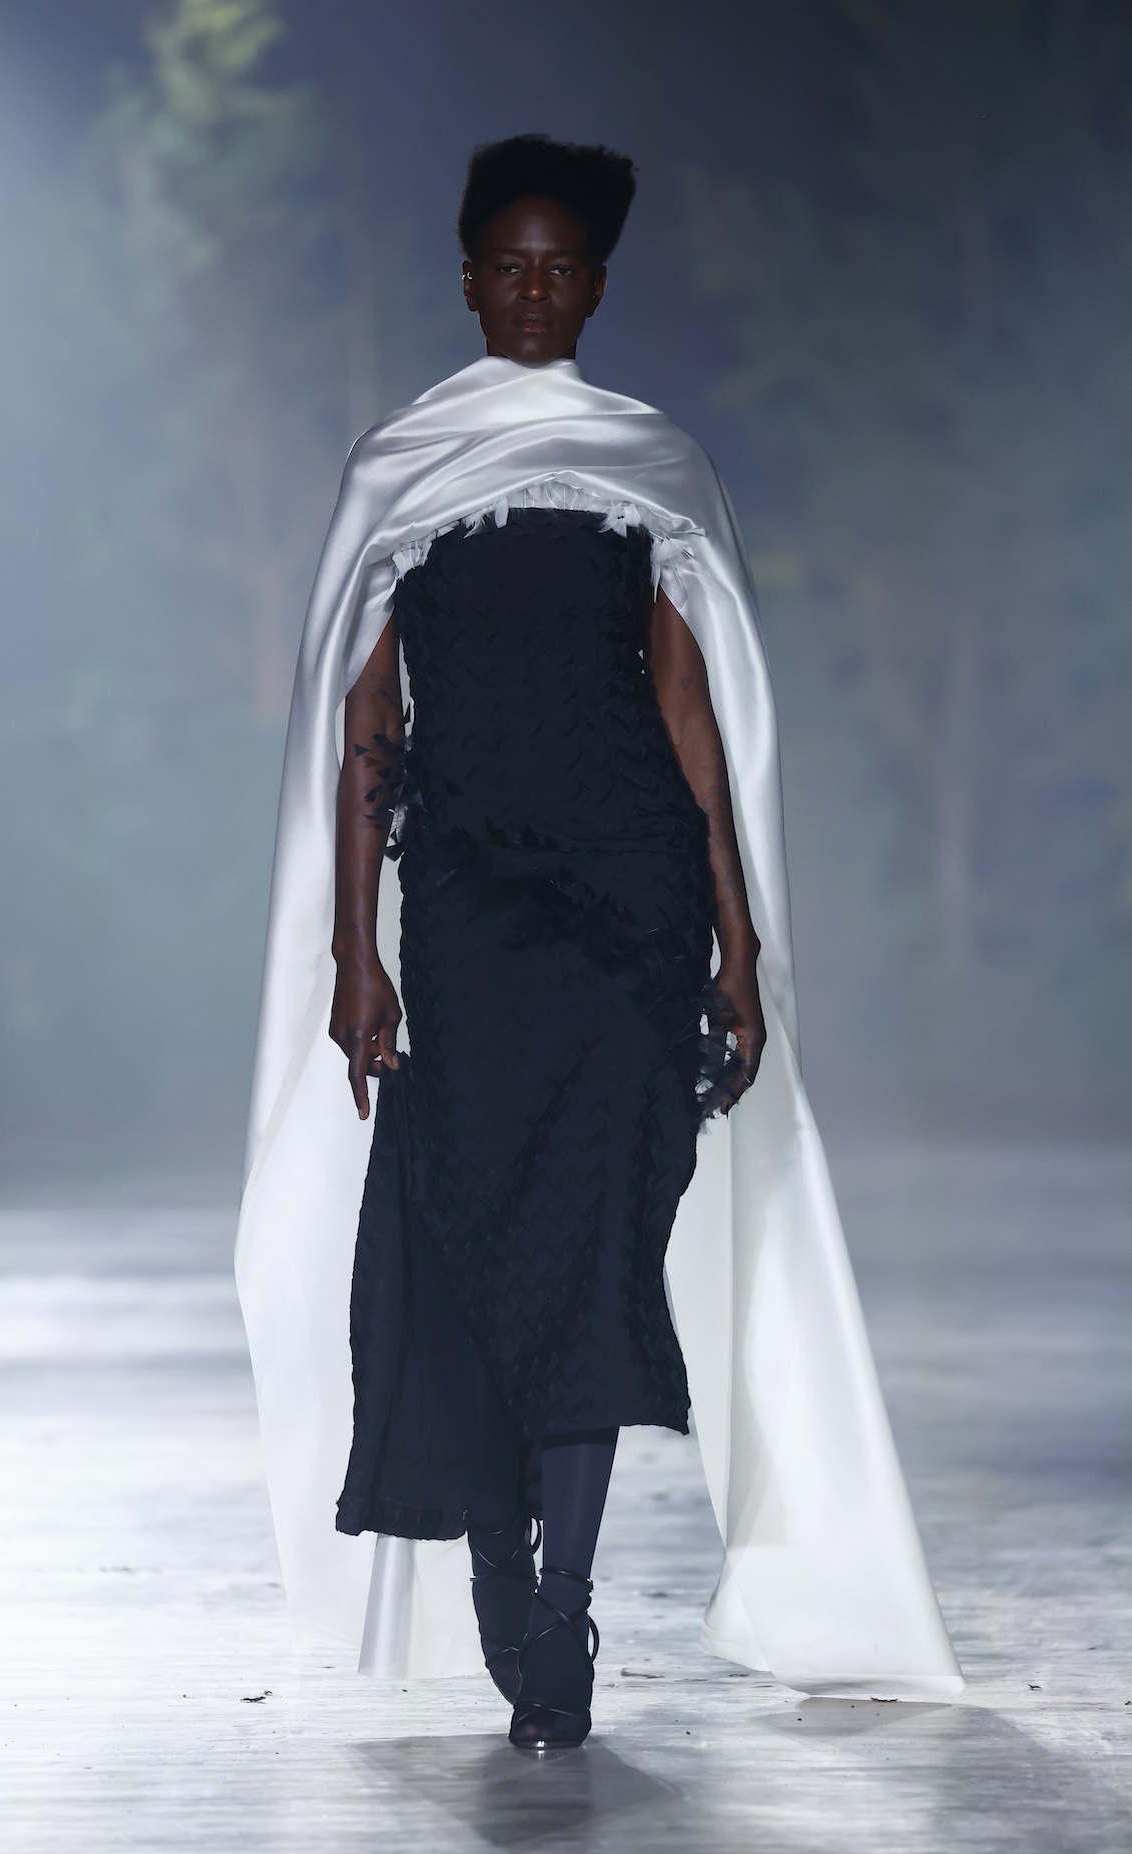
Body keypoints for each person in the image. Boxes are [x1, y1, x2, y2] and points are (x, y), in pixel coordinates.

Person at [235, 135, 962, 1754]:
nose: (535, 290)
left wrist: (738, 938)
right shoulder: (401, 464)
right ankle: (503, 1560)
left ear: (598, 286)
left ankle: (560, 1595)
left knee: (600, 1251)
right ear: (469, 279)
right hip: (472, 913)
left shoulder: (652, 462)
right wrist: (357, 951)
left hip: (633, 912)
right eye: (510, 265)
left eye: (562, 268)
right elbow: (364, 729)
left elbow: (691, 711)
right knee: (486, 1244)